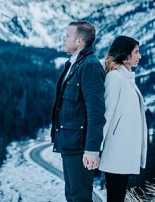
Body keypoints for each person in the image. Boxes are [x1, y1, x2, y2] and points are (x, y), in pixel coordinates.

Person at [51, 21, 106, 202]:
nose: (64, 38)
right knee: (72, 196)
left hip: (80, 146)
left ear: (79, 41)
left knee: (79, 197)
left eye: (68, 35)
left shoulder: (89, 66)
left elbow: (96, 112)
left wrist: (92, 149)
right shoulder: (75, 64)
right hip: (69, 142)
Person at [98, 35, 148, 202]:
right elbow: (106, 114)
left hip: (124, 149)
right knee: (115, 196)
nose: (139, 56)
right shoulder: (115, 78)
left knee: (118, 196)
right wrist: (95, 148)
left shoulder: (127, 78)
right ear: (125, 55)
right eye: (136, 52)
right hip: (116, 151)